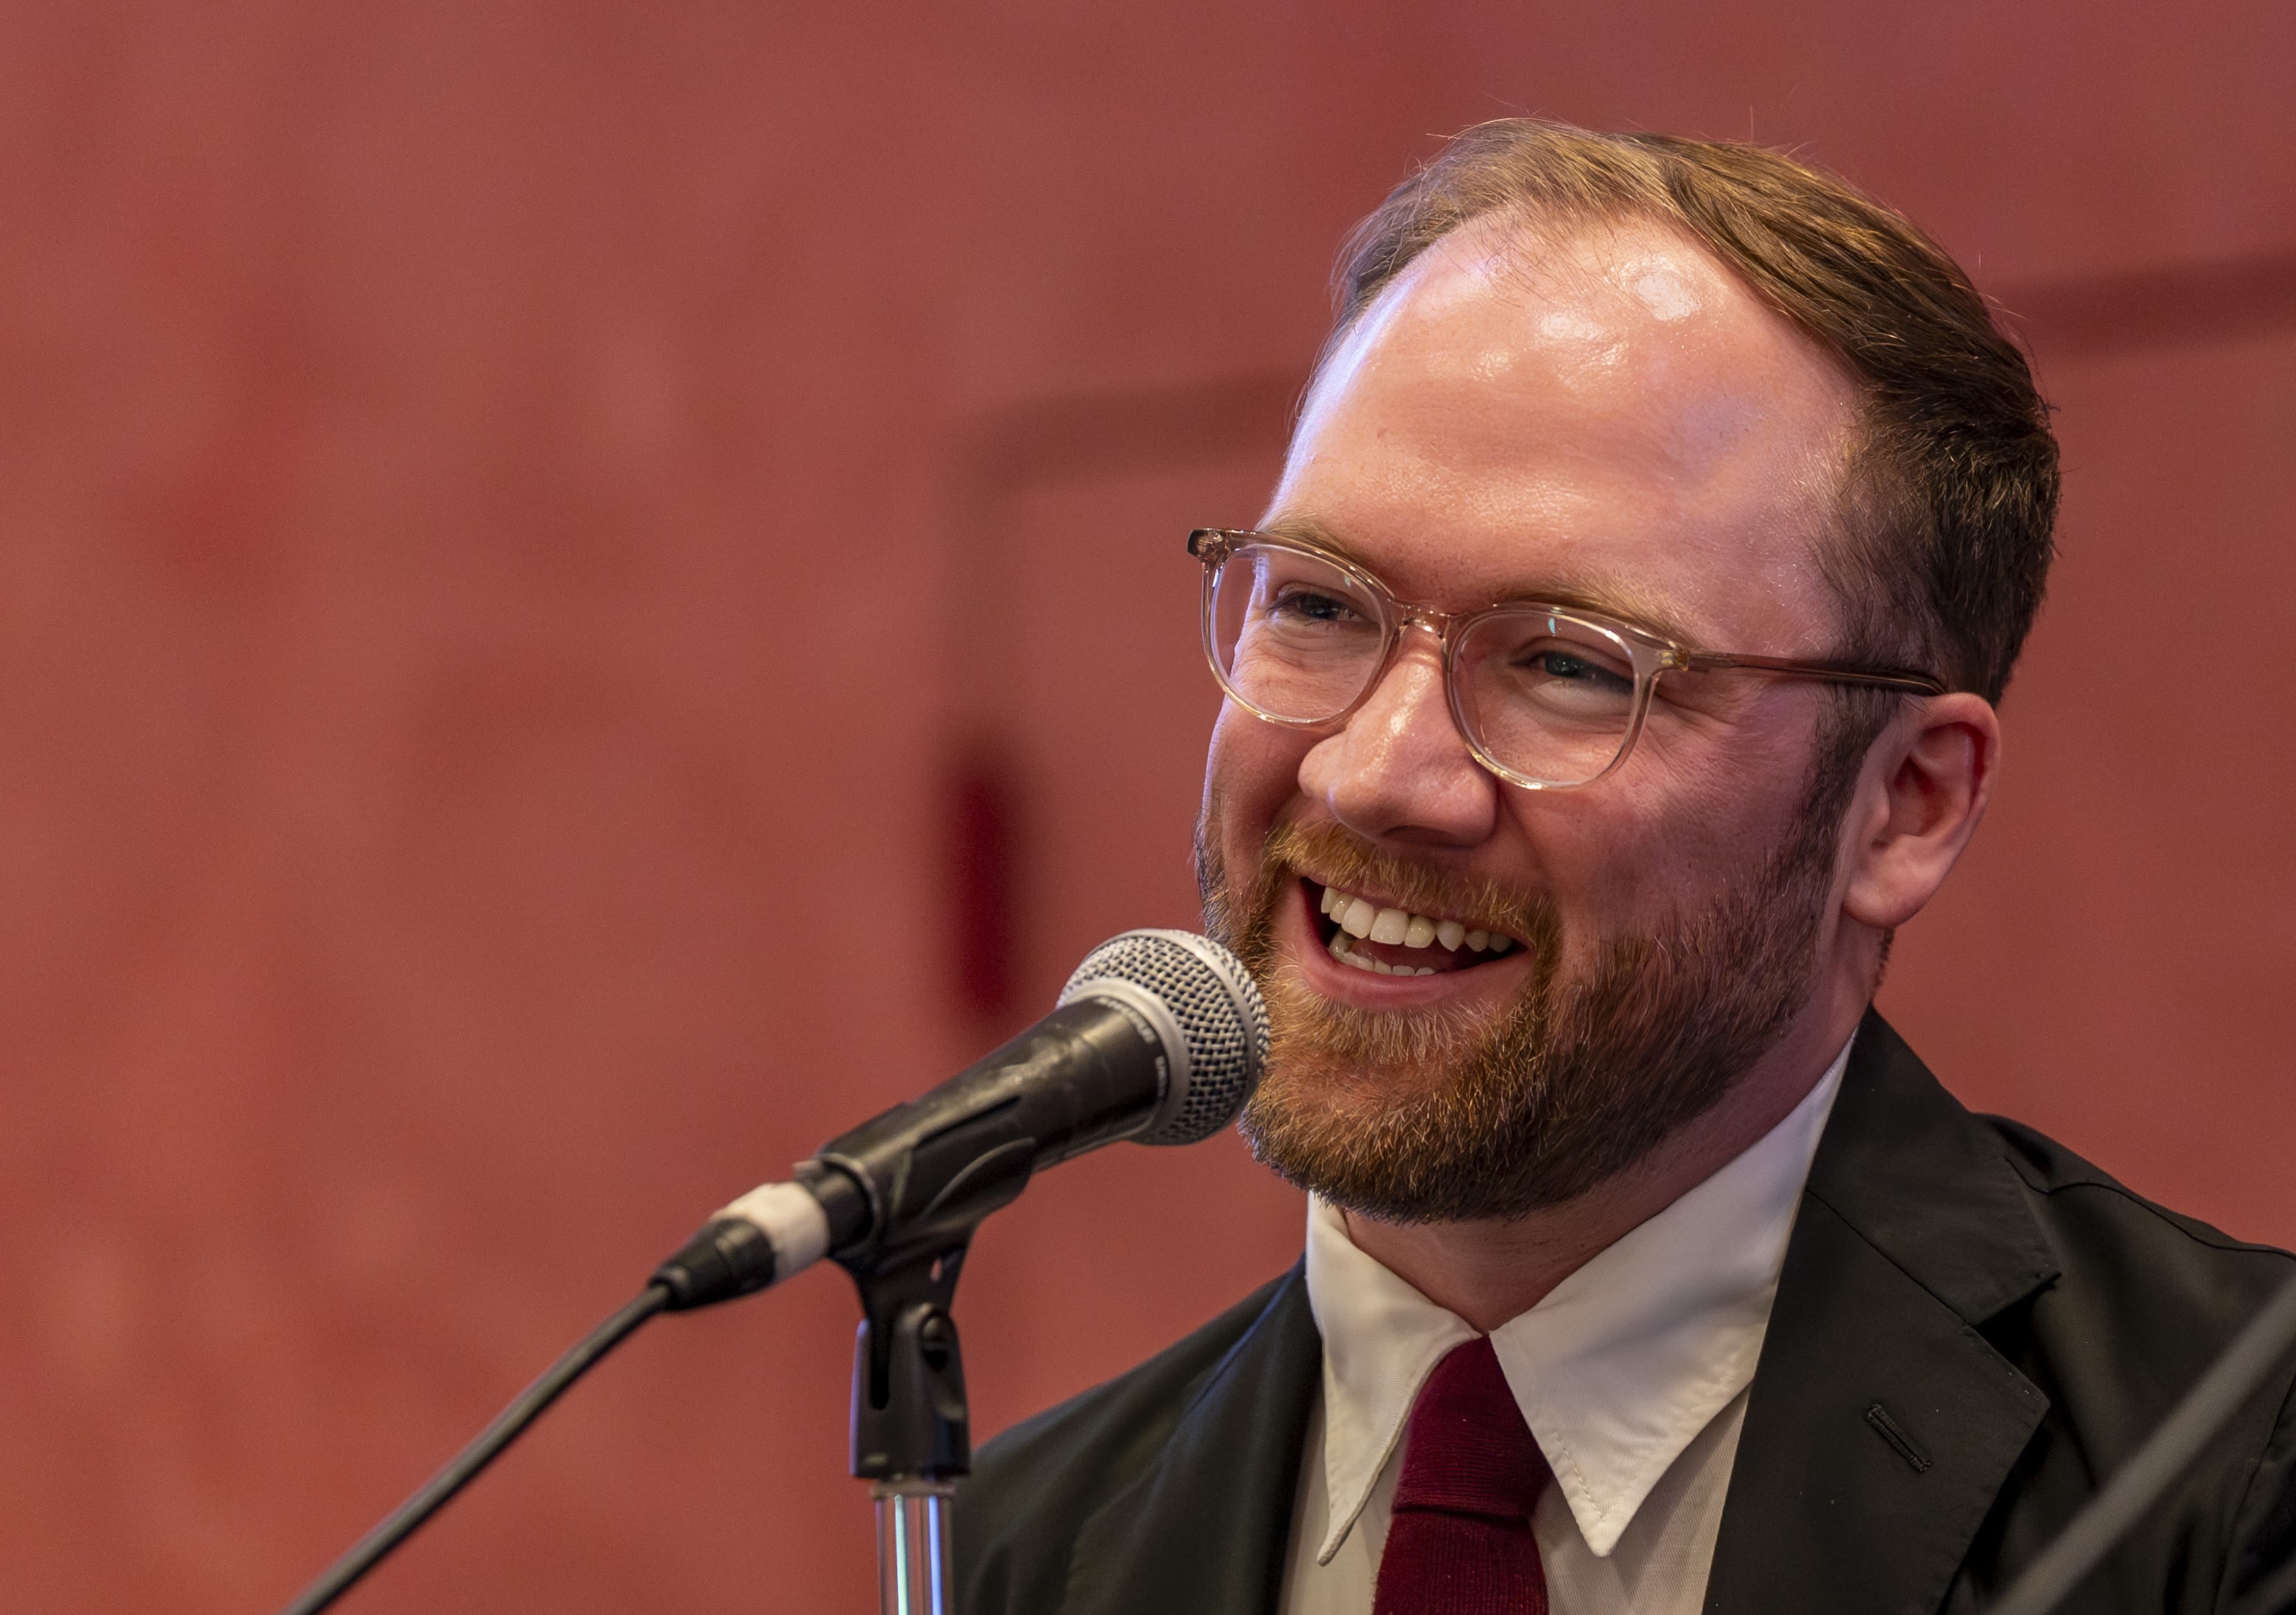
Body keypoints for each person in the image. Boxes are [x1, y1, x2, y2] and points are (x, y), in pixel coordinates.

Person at [951, 120, 2296, 1615]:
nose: (1370, 770)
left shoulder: (2231, 1471)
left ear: (1903, 804)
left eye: (1569, 665)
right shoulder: (1016, 1545)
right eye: (1319, 607)